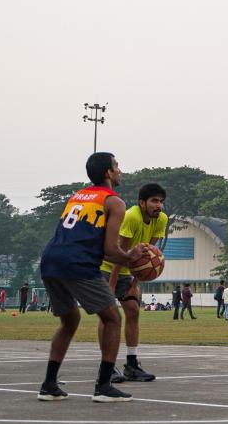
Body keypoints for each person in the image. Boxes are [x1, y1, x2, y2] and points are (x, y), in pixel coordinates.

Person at [36, 152, 149, 403]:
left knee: (69, 320)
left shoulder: (78, 196)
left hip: (51, 261)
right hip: (78, 263)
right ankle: (104, 386)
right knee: (112, 319)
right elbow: (110, 250)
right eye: (116, 166)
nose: (120, 170)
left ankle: (49, 384)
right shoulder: (114, 202)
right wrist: (133, 257)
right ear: (108, 173)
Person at [107, 182, 168, 383]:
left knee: (133, 310)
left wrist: (135, 284)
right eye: (154, 201)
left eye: (161, 201)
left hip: (128, 269)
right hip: (107, 267)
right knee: (108, 316)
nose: (159, 205)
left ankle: (131, 365)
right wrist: (112, 285)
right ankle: (107, 368)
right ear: (142, 203)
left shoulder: (161, 220)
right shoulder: (132, 216)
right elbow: (120, 254)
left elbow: (146, 254)